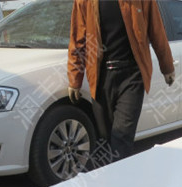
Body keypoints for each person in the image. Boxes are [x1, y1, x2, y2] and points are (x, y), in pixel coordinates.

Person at [67, 0, 175, 162]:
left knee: (122, 137)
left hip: (132, 76)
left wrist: (167, 66)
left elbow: (156, 30)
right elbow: (77, 38)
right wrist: (75, 78)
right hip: (100, 77)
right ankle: (110, 176)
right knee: (104, 139)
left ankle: (120, 176)